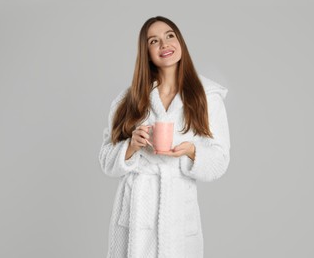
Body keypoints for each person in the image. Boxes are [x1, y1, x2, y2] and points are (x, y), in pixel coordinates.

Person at [98, 15, 230, 258]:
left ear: (180, 41)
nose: (164, 44)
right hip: (137, 213)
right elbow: (106, 161)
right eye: (153, 41)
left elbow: (220, 160)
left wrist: (192, 151)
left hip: (178, 211)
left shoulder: (207, 96)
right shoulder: (128, 100)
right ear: (146, 52)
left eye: (170, 35)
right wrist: (130, 147)